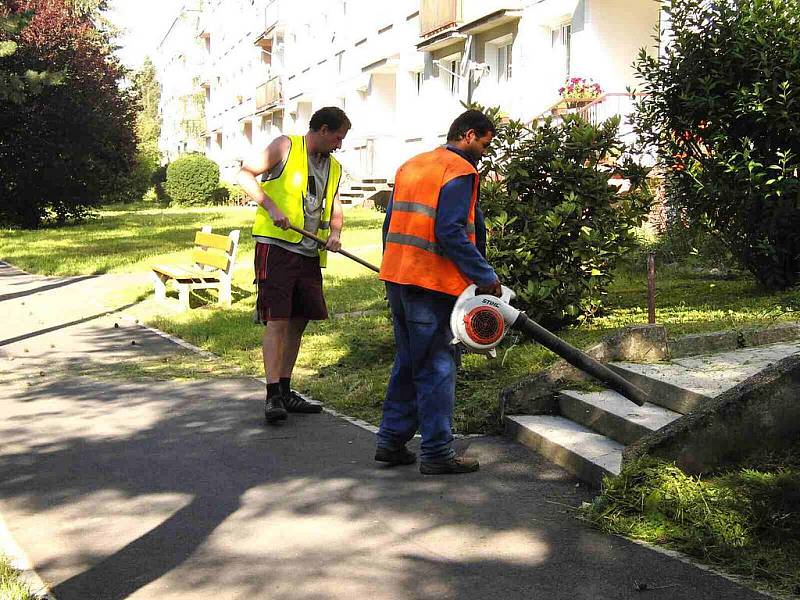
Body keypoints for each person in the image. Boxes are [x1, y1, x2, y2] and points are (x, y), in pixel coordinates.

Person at [376, 109, 501, 474]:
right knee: (438, 366)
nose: (483, 152)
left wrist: (393, 266)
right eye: (483, 143)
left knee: (409, 360)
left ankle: (391, 440)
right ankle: (436, 452)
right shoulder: (460, 171)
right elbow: (450, 231)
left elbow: (389, 224)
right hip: (432, 284)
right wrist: (484, 274)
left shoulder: (412, 165)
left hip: (399, 277)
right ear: (466, 135)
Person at [238, 106, 351, 425]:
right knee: (278, 319)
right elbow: (244, 174)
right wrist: (270, 206)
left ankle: (286, 389)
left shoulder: (334, 166)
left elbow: (336, 203)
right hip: (276, 247)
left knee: (300, 320)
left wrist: (336, 233)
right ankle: (272, 394)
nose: (339, 145)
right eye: (338, 138)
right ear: (323, 130)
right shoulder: (286, 146)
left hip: (308, 251)